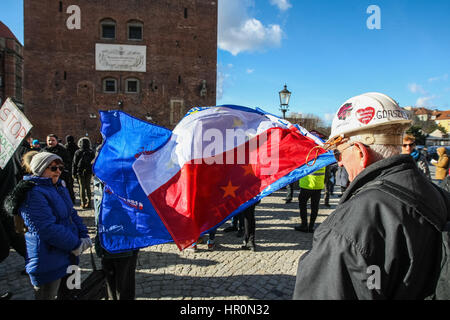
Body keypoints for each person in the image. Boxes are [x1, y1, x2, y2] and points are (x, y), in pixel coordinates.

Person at [293, 92, 450, 299]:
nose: (338, 162)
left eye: (338, 153)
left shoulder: (346, 228)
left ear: (360, 152)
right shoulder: (439, 195)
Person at [5, 152, 91, 300]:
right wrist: (76, 244)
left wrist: (84, 235)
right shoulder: (32, 193)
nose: (58, 171)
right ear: (40, 169)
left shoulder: (59, 186)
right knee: (46, 296)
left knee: (72, 294)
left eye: (60, 167)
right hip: (49, 260)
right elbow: (46, 228)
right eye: (53, 168)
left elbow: (72, 214)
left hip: (70, 258)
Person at [93, 145, 139, 300]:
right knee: (111, 285)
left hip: (123, 240)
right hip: (106, 240)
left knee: (123, 286)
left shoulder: (124, 180)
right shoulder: (98, 181)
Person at [42, 134, 75, 203]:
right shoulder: (43, 151)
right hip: (47, 177)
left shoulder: (62, 150)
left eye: (53, 140)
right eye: (49, 140)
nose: (50, 142)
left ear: (56, 141)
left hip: (60, 175)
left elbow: (68, 162)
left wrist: (60, 168)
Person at [294, 167, 326, 233]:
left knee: (302, 205)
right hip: (318, 185)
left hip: (306, 185)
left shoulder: (307, 159)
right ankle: (311, 226)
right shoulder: (322, 157)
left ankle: (304, 225)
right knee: (315, 207)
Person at [73, 137, 95, 209]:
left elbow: (74, 163)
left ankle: (83, 203)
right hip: (89, 171)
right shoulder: (91, 152)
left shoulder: (78, 152)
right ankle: (89, 203)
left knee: (82, 187)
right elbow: (94, 163)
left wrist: (73, 173)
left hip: (80, 171)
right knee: (88, 187)